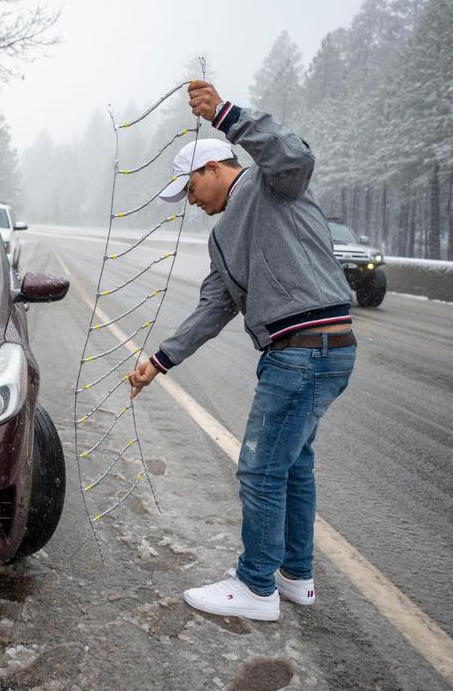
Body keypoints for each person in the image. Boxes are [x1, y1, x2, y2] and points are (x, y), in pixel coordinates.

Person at [128, 81, 356, 621]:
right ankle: (295, 576)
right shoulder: (223, 234)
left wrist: (227, 114)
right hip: (314, 350)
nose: (189, 201)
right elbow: (214, 306)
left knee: (259, 470)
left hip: (306, 350)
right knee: (293, 464)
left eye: (189, 189)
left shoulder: (269, 182)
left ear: (211, 168)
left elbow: (294, 154)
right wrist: (159, 361)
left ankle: (255, 587)